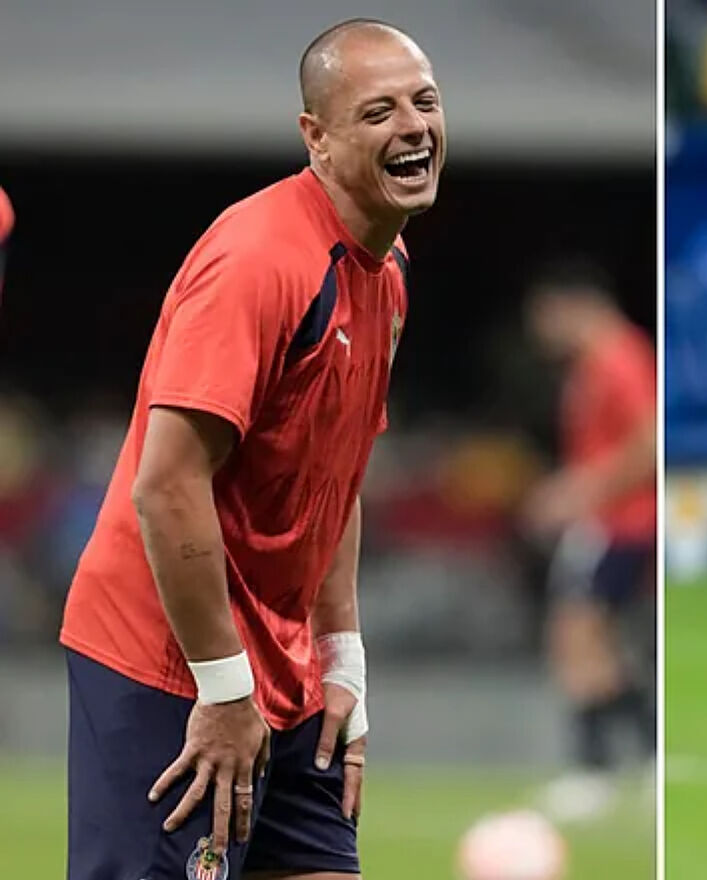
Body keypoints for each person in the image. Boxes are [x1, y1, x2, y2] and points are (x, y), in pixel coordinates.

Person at [58, 18, 444, 879]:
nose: (414, 127)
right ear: (318, 138)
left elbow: (334, 478)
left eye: (424, 103)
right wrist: (223, 688)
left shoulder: (389, 270)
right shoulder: (260, 260)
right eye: (378, 112)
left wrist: (343, 659)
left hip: (286, 661)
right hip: (174, 658)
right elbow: (164, 487)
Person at [521, 260, 657, 821]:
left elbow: (649, 442)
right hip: (606, 521)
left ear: (568, 306)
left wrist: (580, 492)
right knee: (587, 643)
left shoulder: (616, 359)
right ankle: (637, 760)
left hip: (616, 522)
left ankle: (600, 767)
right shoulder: (599, 361)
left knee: (576, 638)